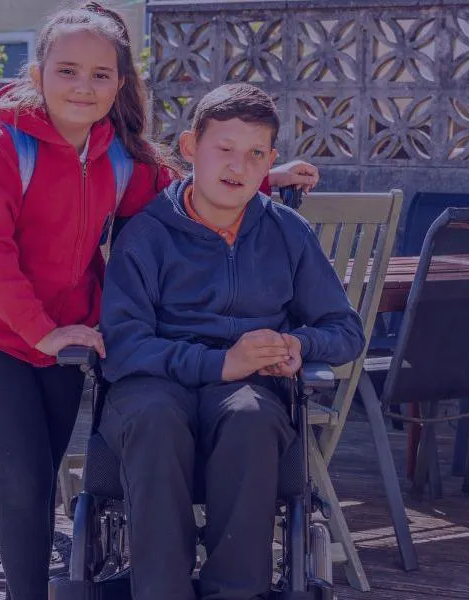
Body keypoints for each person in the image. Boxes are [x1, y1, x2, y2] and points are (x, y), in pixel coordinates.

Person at [0, 3, 320, 598]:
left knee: (44, 479)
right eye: (67, 71)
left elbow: (197, 187)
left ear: (119, 84)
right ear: (37, 75)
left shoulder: (118, 158)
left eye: (100, 74)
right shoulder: (1, 150)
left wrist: (263, 175)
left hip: (67, 338)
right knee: (23, 477)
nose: (83, 86)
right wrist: (41, 330)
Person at [97, 83, 367, 600]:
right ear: (190, 147)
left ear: (269, 160)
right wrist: (221, 363)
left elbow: (345, 329)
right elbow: (124, 346)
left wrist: (297, 345)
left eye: (256, 154)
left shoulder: (287, 232)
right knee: (154, 418)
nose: (238, 166)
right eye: (224, 148)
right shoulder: (147, 234)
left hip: (249, 391)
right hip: (152, 385)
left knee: (250, 416)